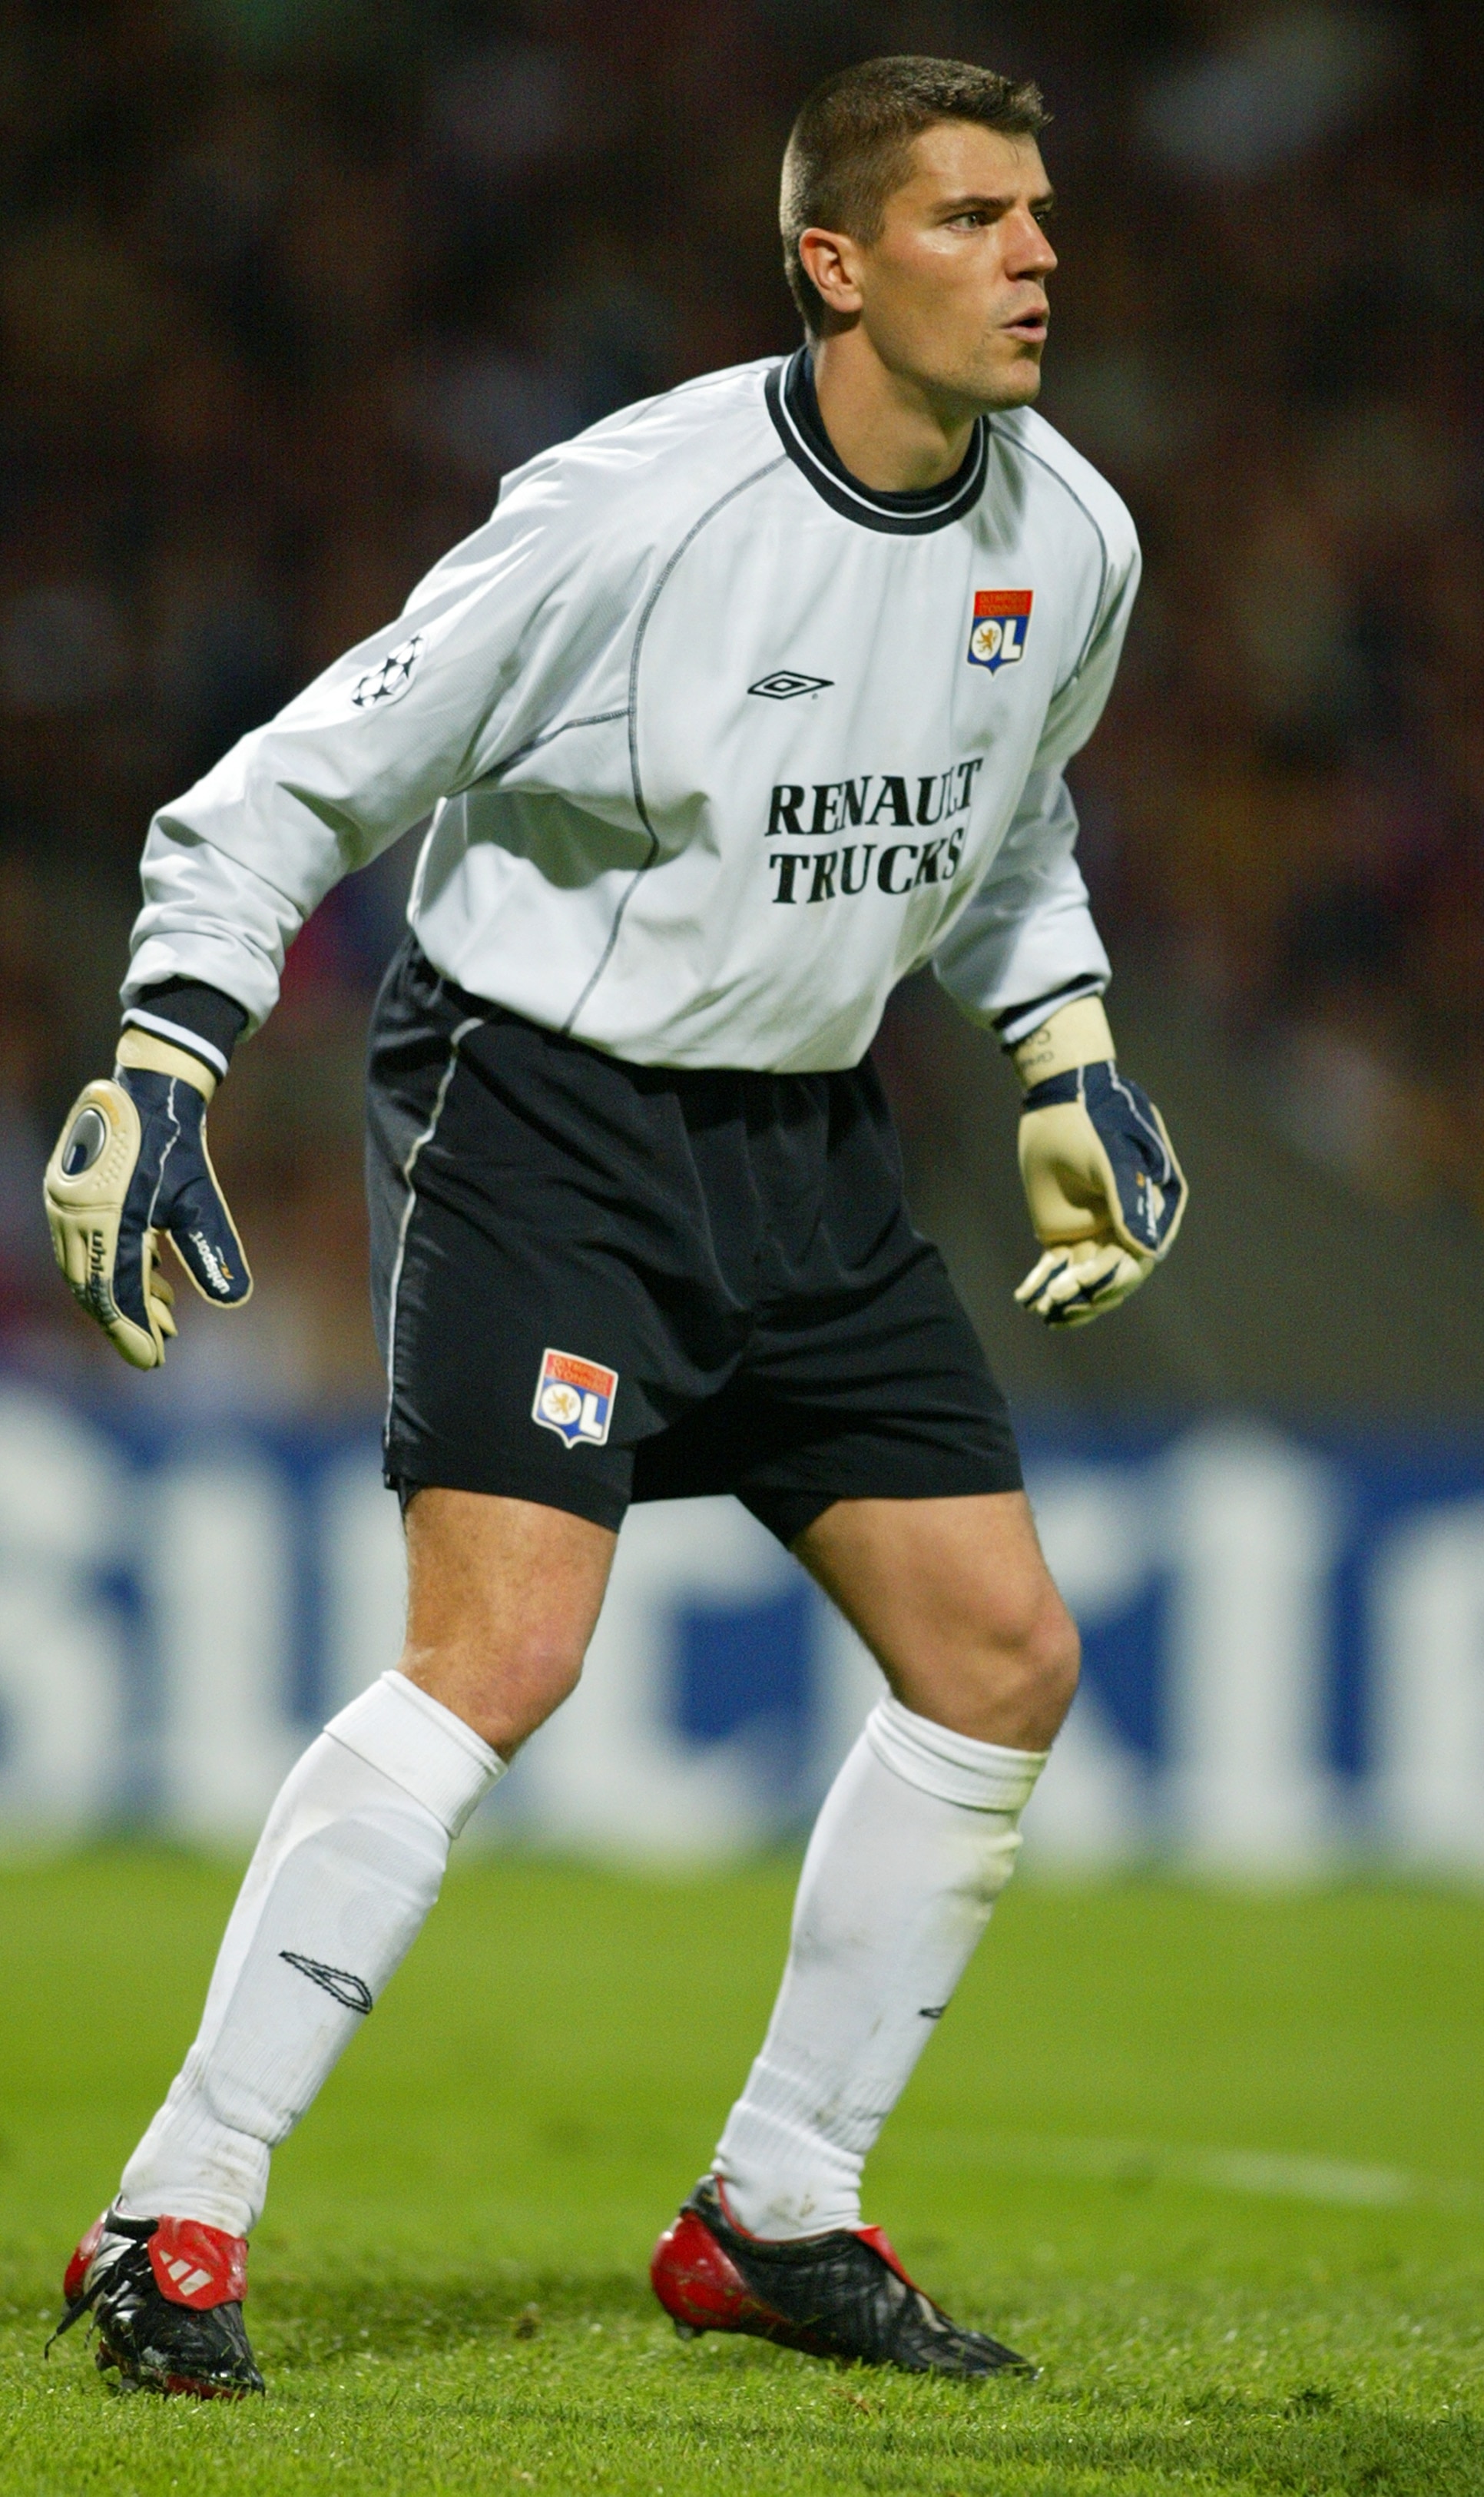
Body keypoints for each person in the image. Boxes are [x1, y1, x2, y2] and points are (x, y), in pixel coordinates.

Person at [44, 55, 1184, 2399]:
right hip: (540, 1105)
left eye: (1041, 212)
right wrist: (162, 1051)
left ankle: (773, 2203)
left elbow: (1009, 821)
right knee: (504, 1654)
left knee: (999, 1655)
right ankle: (171, 2210)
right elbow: (282, 787)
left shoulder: (1069, 534)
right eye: (974, 217)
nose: (1038, 254)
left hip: (806, 1136)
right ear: (837, 265)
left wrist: (1060, 1039)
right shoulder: (626, 514)